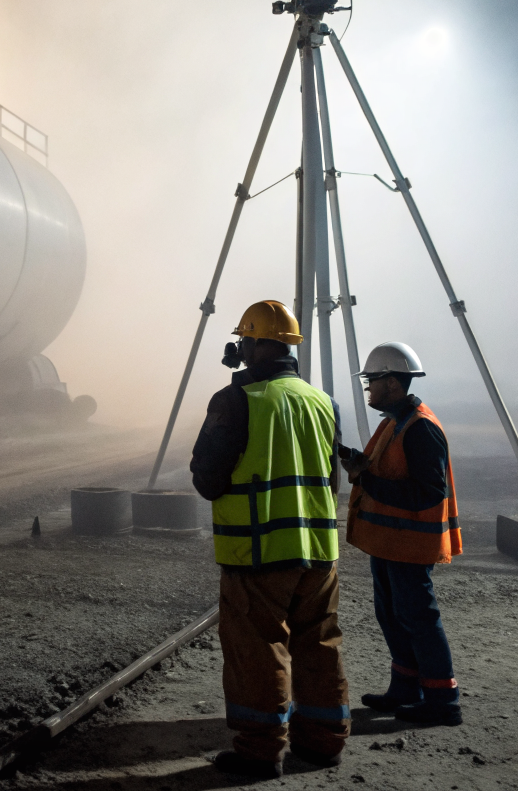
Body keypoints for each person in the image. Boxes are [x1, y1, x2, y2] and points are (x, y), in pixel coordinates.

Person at [190, 300, 349, 779]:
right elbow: (329, 478)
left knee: (256, 650)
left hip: (257, 550)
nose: (239, 348)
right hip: (319, 552)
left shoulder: (237, 399)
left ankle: (260, 751)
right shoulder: (323, 402)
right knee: (319, 643)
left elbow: (207, 480)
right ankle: (323, 743)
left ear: (256, 345)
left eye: (244, 340)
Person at [341, 341, 464, 727]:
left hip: (411, 544)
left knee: (418, 617)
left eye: (373, 381)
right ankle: (406, 688)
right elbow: (383, 469)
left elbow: (429, 492)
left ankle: (443, 701)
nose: (368, 388)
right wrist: (350, 458)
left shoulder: (420, 429)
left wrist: (368, 481)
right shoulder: (394, 423)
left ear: (393, 383)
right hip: (391, 543)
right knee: (393, 614)